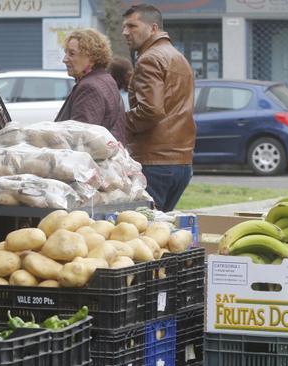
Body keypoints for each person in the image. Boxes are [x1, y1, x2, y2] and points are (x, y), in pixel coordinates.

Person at [122, 4, 195, 212]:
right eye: (124, 27)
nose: (125, 32)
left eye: (132, 26)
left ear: (153, 28)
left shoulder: (149, 59)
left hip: (155, 161)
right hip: (181, 162)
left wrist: (120, 124)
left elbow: (151, 110)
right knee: (160, 230)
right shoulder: (177, 57)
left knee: (145, 232)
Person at [55, 28, 126, 143]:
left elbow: (79, 140)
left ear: (91, 58)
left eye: (71, 54)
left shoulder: (89, 87)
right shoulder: (105, 78)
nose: (65, 59)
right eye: (65, 53)